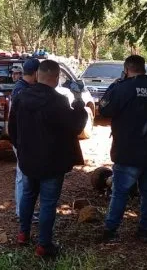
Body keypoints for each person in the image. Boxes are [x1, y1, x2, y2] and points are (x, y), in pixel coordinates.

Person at [8, 60, 88, 257]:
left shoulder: (21, 97)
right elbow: (77, 125)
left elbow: (12, 128)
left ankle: (23, 235)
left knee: (28, 195)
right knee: (48, 203)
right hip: (52, 162)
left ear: (38, 75)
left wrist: (22, 149)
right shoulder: (58, 101)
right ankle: (44, 245)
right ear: (55, 77)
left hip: (28, 160)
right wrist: (78, 100)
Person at [99, 55, 147, 243]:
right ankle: (144, 230)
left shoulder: (122, 89)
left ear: (126, 70)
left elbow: (104, 110)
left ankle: (111, 230)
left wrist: (114, 86)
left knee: (120, 192)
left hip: (128, 151)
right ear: (144, 69)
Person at [10, 58, 40, 220]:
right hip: (22, 141)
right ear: (36, 73)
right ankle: (22, 212)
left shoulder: (23, 88)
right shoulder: (21, 91)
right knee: (23, 176)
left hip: (22, 140)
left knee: (26, 176)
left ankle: (25, 210)